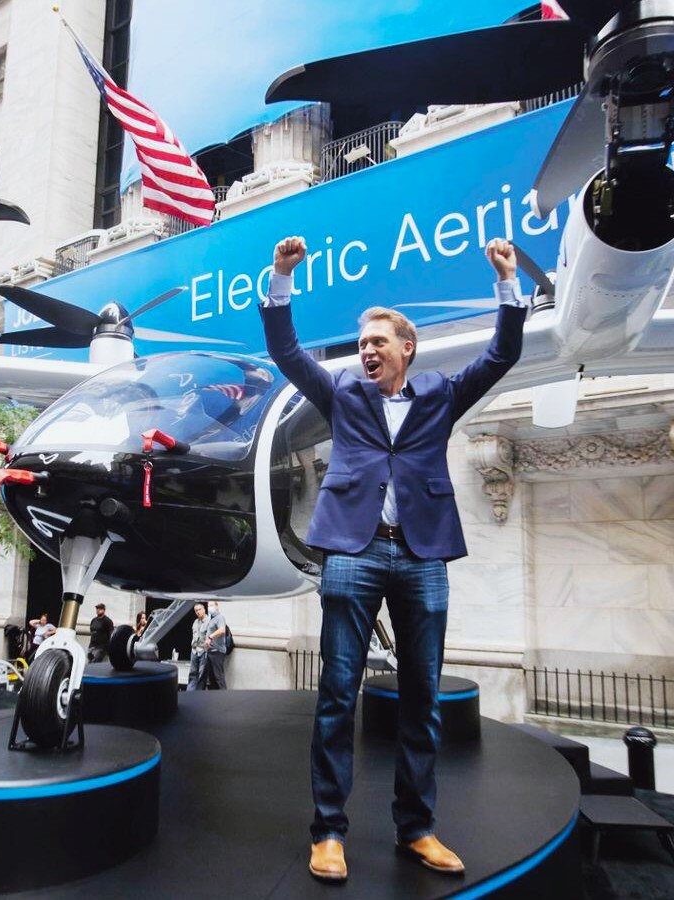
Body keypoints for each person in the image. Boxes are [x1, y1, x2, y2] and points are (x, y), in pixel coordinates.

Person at [264, 235, 529, 882]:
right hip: (352, 554)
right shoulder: (344, 396)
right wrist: (280, 279)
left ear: (406, 349)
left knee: (422, 697)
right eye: (361, 344)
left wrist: (506, 286)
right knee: (335, 694)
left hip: (421, 556)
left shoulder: (439, 397)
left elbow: (501, 356)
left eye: (378, 341)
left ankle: (417, 829)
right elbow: (287, 353)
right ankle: (328, 832)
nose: (366, 350)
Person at [199, 600, 230, 689]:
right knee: (211, 679)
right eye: (208, 606)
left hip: (217, 652)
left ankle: (224, 698)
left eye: (212, 605)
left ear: (217, 606)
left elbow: (222, 630)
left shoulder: (220, 617)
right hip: (210, 651)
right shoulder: (211, 618)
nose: (210, 608)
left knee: (218, 677)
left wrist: (210, 637)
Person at [187, 602, 209, 691]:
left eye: (199, 609)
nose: (198, 612)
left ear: (204, 610)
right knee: (192, 673)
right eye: (196, 610)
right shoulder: (195, 622)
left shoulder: (209, 621)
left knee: (202, 674)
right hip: (194, 650)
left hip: (203, 651)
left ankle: (198, 693)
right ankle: (190, 693)